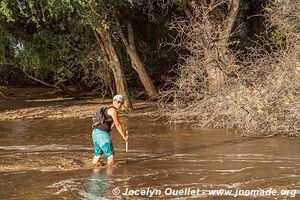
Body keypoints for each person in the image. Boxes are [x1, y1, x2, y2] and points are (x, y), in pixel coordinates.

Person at [92, 94, 128, 166]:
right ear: (113, 101)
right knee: (110, 154)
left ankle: (94, 174)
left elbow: (115, 124)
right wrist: (124, 136)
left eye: (121, 103)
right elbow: (118, 125)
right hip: (102, 134)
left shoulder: (107, 109)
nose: (119, 104)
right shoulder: (113, 110)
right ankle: (110, 175)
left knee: (98, 154)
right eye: (118, 102)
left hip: (95, 133)